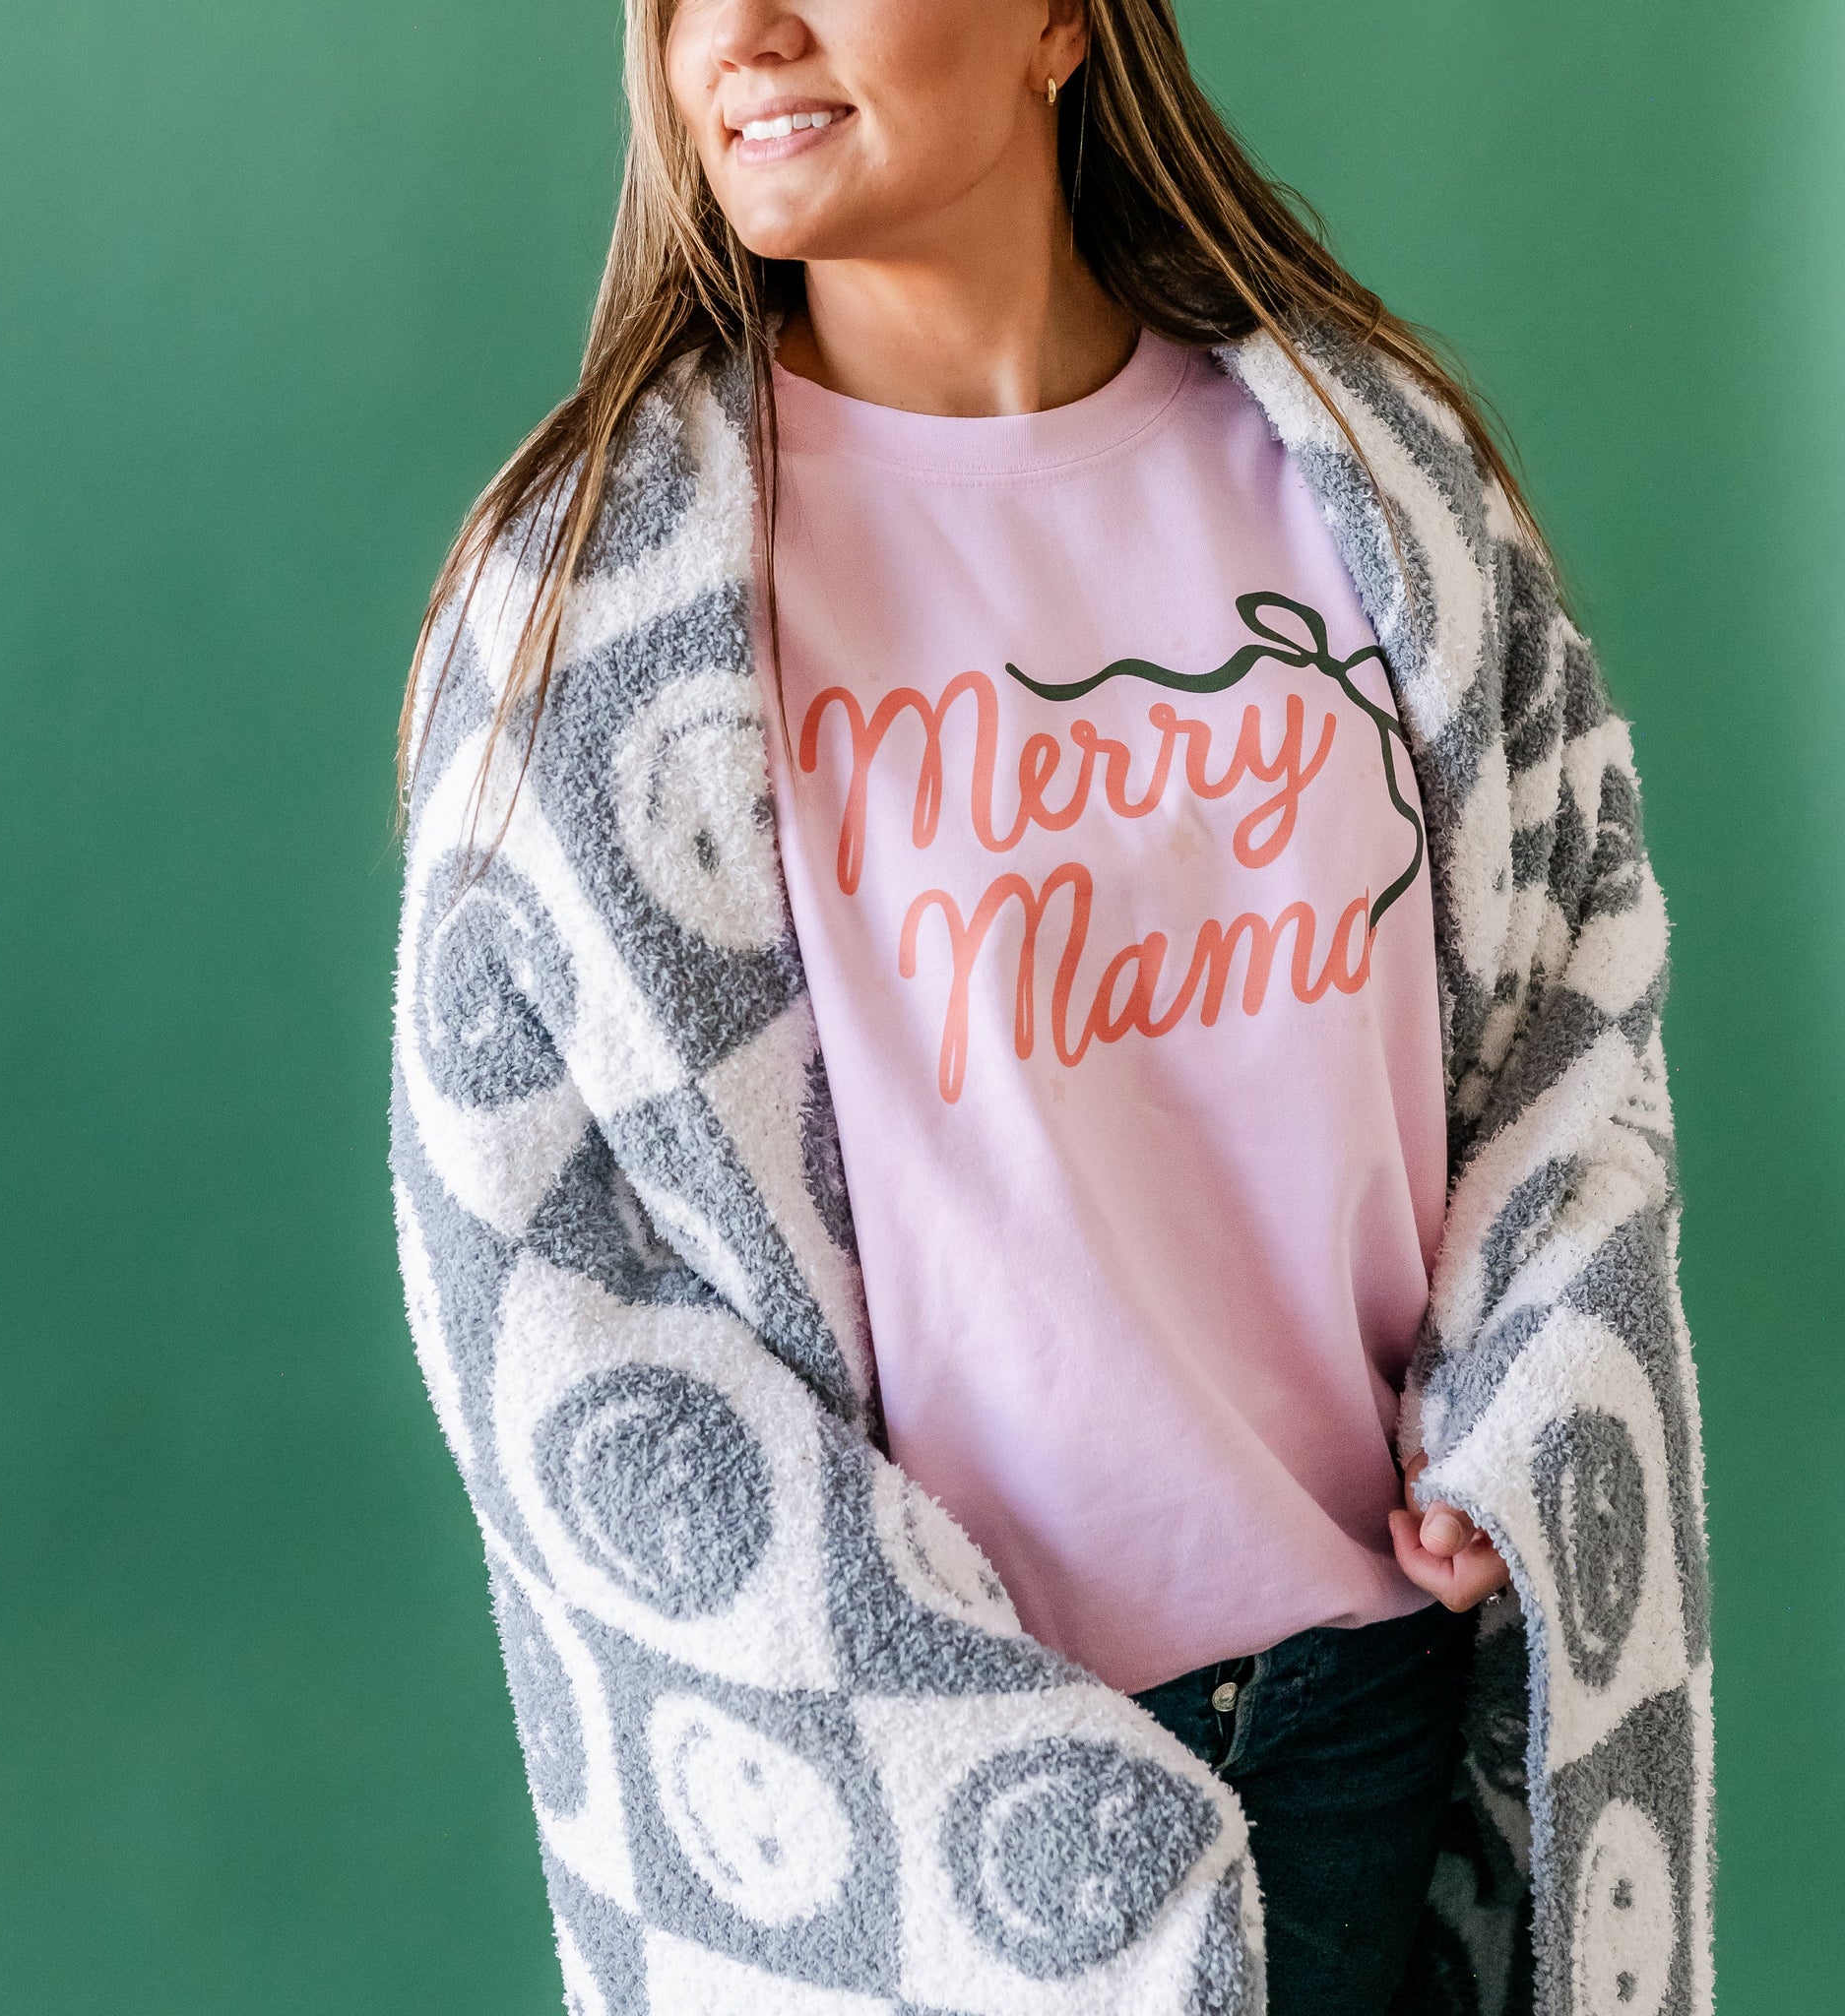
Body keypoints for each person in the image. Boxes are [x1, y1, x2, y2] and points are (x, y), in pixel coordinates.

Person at [388, 3, 1713, 2013]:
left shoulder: (1374, 485)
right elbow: (545, 1284)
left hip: (1366, 1712)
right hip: (919, 1798)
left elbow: (1573, 1016)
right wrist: (973, 1750)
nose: (741, 37)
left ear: (1062, 23)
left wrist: (1517, 1393)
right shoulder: (595, 603)